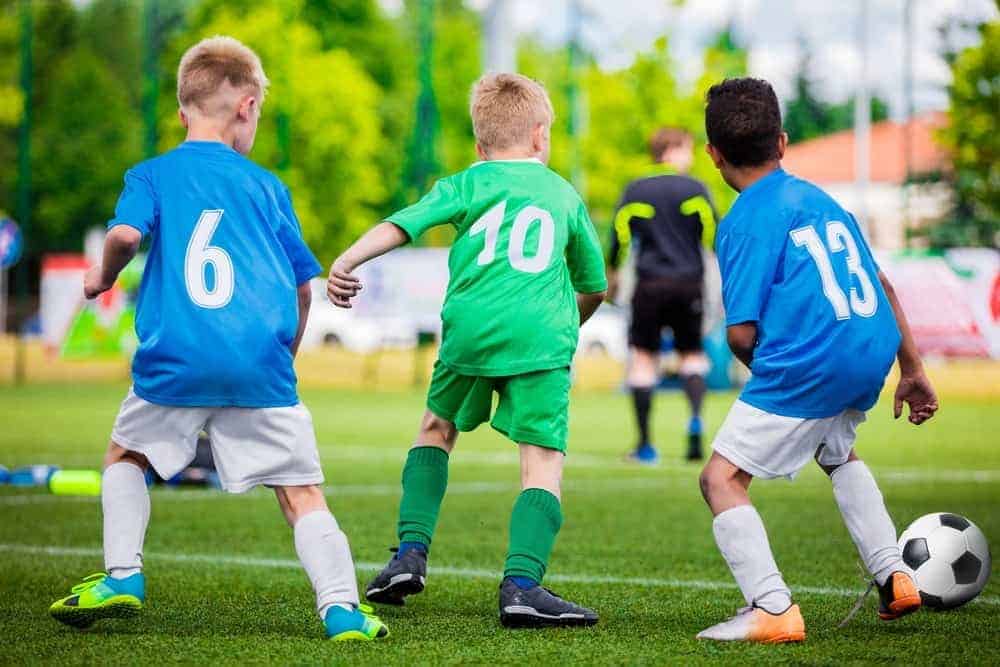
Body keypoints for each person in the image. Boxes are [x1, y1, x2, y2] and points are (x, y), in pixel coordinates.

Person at [47, 36, 388, 642]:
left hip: (175, 358)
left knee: (126, 457)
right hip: (258, 364)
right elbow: (302, 285)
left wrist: (102, 277)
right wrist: (288, 350)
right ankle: (341, 610)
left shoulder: (150, 174)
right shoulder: (265, 187)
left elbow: (125, 237)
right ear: (247, 108)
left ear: (183, 112)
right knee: (300, 493)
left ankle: (123, 575)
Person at [327, 73, 607, 628]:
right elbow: (594, 285)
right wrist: (563, 327)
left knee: (436, 427)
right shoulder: (563, 194)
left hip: (469, 331)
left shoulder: (466, 183)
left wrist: (346, 261)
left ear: (480, 145)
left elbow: (401, 225)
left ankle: (409, 554)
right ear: (541, 135)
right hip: (542, 338)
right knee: (541, 460)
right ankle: (523, 587)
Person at [695, 77, 938, 643]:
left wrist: (784, 389)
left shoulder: (744, 221)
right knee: (838, 450)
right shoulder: (822, 200)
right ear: (782, 143)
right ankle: (894, 574)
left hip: (811, 364)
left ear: (713, 154)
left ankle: (772, 607)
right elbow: (880, 283)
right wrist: (914, 370)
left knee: (721, 478)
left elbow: (739, 335)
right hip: (872, 349)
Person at [607, 127, 717, 464]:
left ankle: (645, 445)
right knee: (692, 356)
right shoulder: (696, 189)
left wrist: (613, 271)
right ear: (672, 150)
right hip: (689, 284)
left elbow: (620, 237)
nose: (691, 155)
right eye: (687, 148)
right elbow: (713, 234)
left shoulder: (636, 190)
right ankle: (695, 421)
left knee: (642, 360)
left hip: (649, 286)